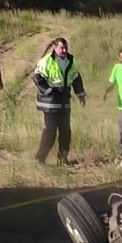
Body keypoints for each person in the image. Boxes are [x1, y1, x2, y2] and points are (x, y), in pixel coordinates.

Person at [32, 37, 86, 165]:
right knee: (50, 131)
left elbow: (76, 79)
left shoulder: (70, 62)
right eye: (62, 48)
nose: (64, 50)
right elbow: (37, 78)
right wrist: (48, 91)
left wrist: (81, 95)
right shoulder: (46, 61)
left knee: (65, 131)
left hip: (64, 101)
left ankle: (62, 159)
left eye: (66, 48)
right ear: (54, 48)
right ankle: (39, 159)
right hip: (49, 102)